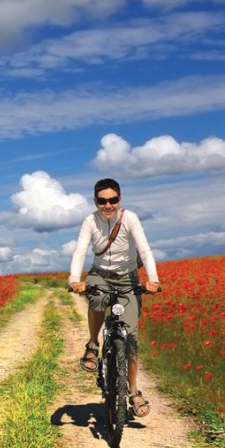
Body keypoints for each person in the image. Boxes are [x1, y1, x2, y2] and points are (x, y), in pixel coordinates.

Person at [68, 178, 160, 416]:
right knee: (96, 298)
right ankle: (93, 344)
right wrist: (74, 280)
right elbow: (80, 251)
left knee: (130, 341)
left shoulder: (130, 219)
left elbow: (145, 249)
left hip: (128, 278)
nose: (108, 205)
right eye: (102, 201)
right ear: (95, 201)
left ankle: (133, 391)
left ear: (120, 199)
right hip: (100, 274)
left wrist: (153, 279)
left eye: (113, 200)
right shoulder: (89, 221)